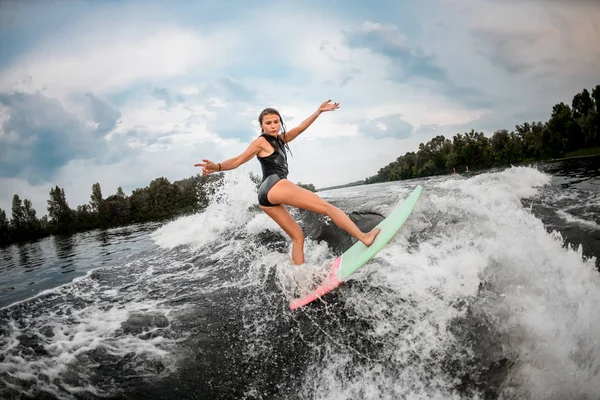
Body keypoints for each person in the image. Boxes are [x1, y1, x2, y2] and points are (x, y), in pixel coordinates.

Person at [195, 100, 380, 265]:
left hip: (265, 197)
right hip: (275, 185)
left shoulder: (281, 140)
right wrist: (217, 166)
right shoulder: (260, 142)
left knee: (298, 237)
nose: (273, 126)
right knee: (327, 208)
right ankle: (364, 237)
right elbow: (238, 160)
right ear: (261, 125)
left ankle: (301, 284)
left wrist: (318, 112)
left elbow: (300, 128)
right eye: (268, 123)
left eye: (276, 122)